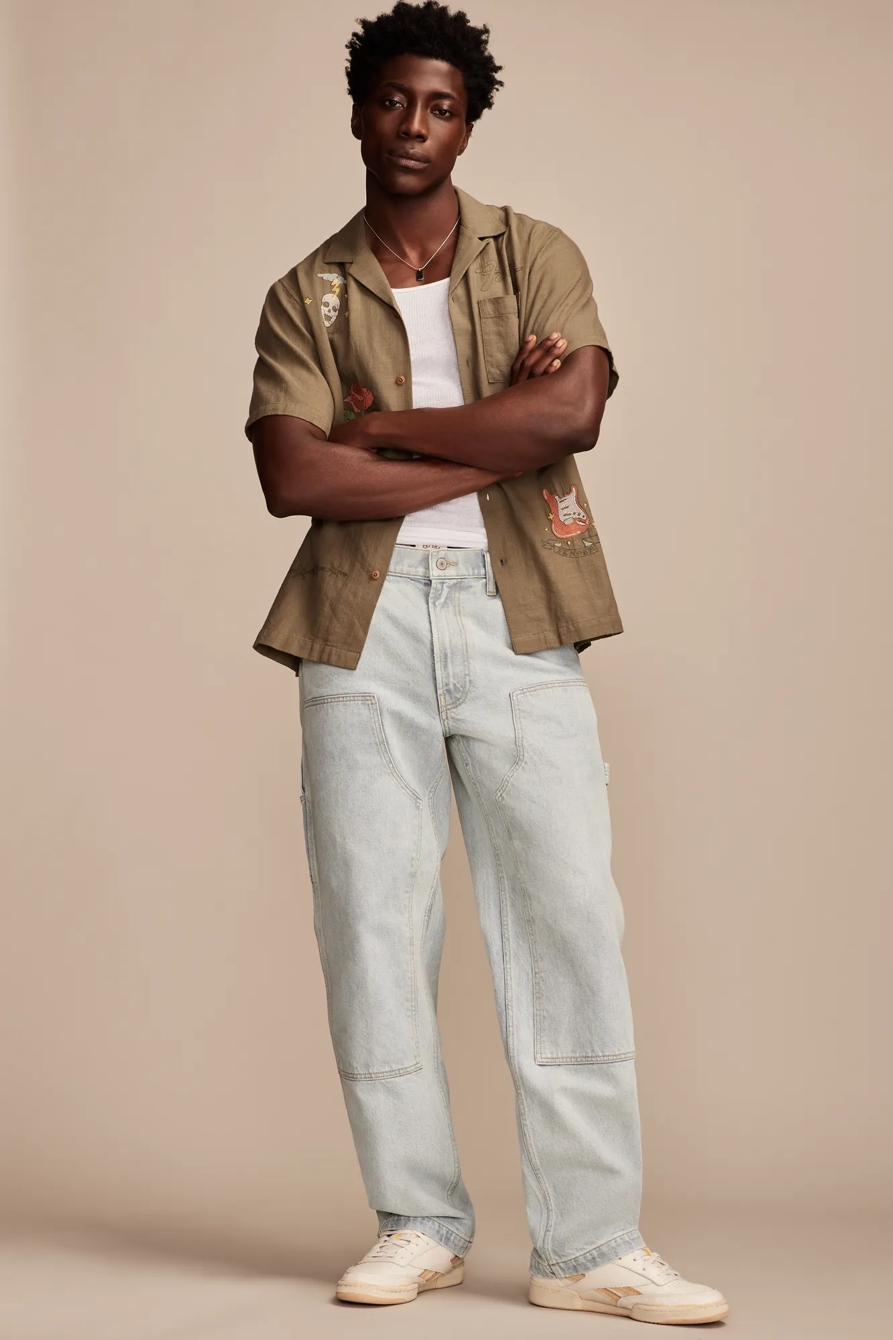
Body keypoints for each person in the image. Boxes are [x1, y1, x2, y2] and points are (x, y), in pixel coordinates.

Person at [245, 0, 728, 1324]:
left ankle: (591, 1245)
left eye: (442, 106)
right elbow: (295, 476)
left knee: (567, 920)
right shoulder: (305, 293)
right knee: (371, 927)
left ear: (468, 125)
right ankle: (416, 1222)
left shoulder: (539, 254)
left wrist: (383, 431)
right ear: (360, 112)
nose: (415, 125)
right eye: (394, 100)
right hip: (360, 628)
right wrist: (494, 436)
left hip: (521, 613)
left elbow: (573, 411)